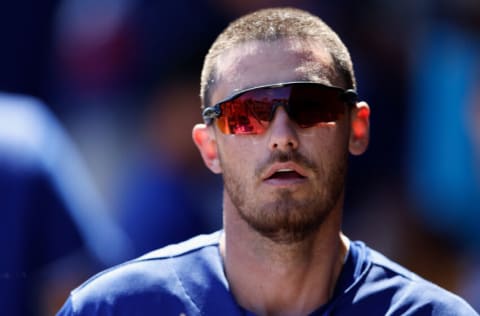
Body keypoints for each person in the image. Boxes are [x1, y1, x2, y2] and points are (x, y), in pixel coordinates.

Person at [57, 7, 478, 315]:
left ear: (357, 129)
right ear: (208, 147)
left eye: (311, 107)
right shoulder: (113, 309)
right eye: (247, 115)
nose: (281, 138)